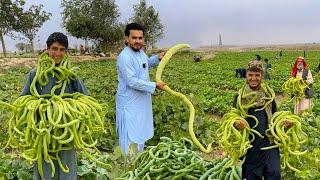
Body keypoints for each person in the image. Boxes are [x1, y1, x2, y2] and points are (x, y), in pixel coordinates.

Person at [21, 32, 88, 180]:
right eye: (54, 48)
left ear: (66, 52)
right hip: (43, 132)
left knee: (67, 168)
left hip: (67, 132)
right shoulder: (35, 74)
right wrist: (39, 106)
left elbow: (86, 100)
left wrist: (67, 107)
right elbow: (23, 100)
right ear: (47, 49)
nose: (57, 53)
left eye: (62, 49)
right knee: (45, 168)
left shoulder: (71, 75)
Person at [233, 61, 289, 180]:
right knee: (252, 175)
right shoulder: (239, 97)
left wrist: (283, 124)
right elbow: (233, 117)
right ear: (246, 75)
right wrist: (236, 123)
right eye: (251, 75)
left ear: (261, 76)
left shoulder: (268, 94)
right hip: (250, 145)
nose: (254, 78)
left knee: (274, 173)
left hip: (270, 141)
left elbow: (275, 115)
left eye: (257, 75)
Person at [116, 23, 166, 154]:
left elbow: (145, 64)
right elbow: (131, 81)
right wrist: (154, 85)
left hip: (141, 103)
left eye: (140, 38)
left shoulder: (141, 53)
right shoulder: (124, 57)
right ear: (127, 38)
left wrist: (157, 58)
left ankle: (138, 165)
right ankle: (128, 168)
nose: (138, 41)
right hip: (130, 104)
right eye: (134, 38)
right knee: (130, 139)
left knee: (140, 134)